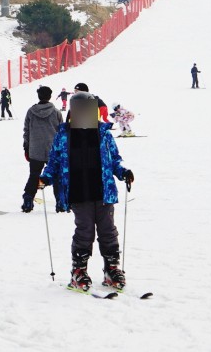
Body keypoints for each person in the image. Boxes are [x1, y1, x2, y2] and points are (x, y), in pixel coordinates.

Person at [39, 91, 134, 292]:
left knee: (108, 231)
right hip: (78, 190)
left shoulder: (104, 133)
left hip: (103, 190)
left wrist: (124, 172)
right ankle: (78, 271)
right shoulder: (63, 135)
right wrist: (45, 178)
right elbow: (54, 162)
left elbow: (115, 158)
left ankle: (111, 269)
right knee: (84, 231)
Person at [22, 85, 63, 213]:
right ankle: (61, 202)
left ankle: (28, 200)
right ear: (50, 96)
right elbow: (61, 133)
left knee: (34, 176)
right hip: (53, 151)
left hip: (35, 149)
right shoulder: (56, 112)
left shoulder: (31, 111)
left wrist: (26, 147)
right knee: (56, 176)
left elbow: (26, 131)